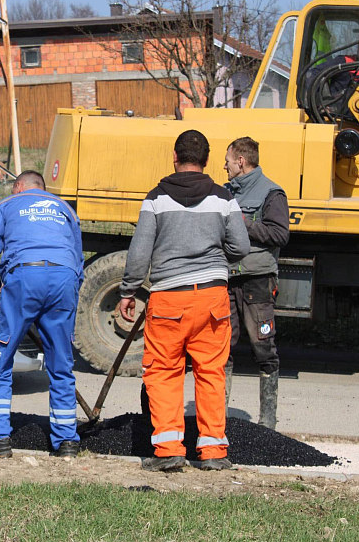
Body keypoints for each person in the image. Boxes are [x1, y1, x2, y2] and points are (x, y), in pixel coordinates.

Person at [118, 130, 250, 471]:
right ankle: (214, 453)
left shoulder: (156, 199)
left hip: (168, 299)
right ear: (206, 161)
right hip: (212, 297)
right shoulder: (223, 199)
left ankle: (169, 452)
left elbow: (140, 252)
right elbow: (241, 246)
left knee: (163, 372)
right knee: (210, 371)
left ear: (175, 158)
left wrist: (129, 290)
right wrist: (217, 259)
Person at [0, 170, 84, 458]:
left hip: (24, 277)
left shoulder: (5, 206)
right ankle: (66, 442)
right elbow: (78, 259)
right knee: (61, 363)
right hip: (64, 278)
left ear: (19, 187)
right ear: (42, 189)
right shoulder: (65, 208)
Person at [223, 137, 290, 430]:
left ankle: (268, 424)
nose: (223, 166)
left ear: (241, 161)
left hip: (258, 282)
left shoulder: (271, 193)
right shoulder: (223, 193)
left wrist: (243, 223)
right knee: (220, 348)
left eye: (227, 160)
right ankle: (217, 420)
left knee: (264, 348)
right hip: (226, 279)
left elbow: (279, 234)